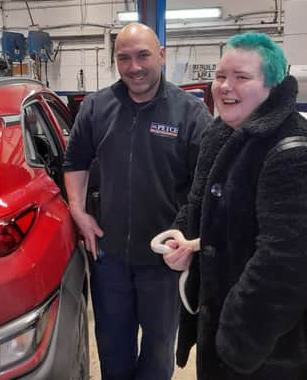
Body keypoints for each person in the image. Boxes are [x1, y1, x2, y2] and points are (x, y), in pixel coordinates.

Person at [162, 32, 307, 379]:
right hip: (226, 335)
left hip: (279, 350)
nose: (224, 87)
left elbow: (288, 265)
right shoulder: (221, 135)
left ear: (272, 86)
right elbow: (199, 204)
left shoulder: (296, 153)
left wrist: (236, 339)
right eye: (220, 76)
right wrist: (183, 239)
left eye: (241, 77)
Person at [63, 22, 211, 380]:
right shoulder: (98, 107)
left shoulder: (190, 114)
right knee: (113, 344)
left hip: (163, 260)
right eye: (124, 58)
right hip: (108, 255)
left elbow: (205, 185)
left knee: (159, 348)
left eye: (143, 55)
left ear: (161, 55)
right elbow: (75, 162)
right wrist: (78, 212)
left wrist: (189, 241)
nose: (134, 67)